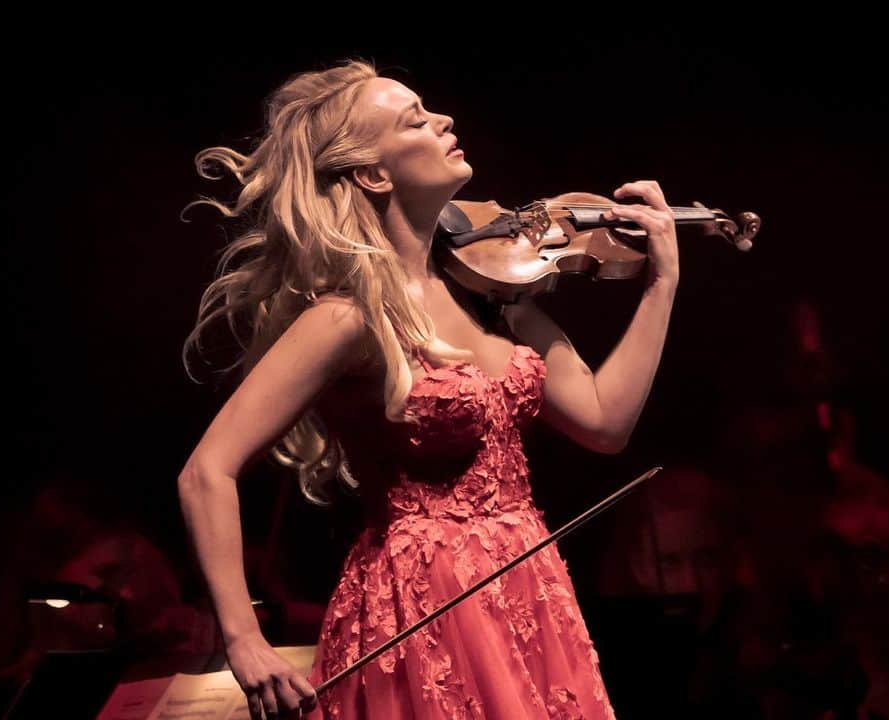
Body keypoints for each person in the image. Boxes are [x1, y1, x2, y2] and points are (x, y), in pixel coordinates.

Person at [176, 59, 679, 719]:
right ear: (374, 174)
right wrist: (243, 638)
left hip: (529, 591)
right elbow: (206, 470)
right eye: (415, 119)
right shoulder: (348, 318)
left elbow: (605, 423)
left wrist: (661, 285)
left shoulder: (492, 296)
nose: (444, 121)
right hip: (421, 606)